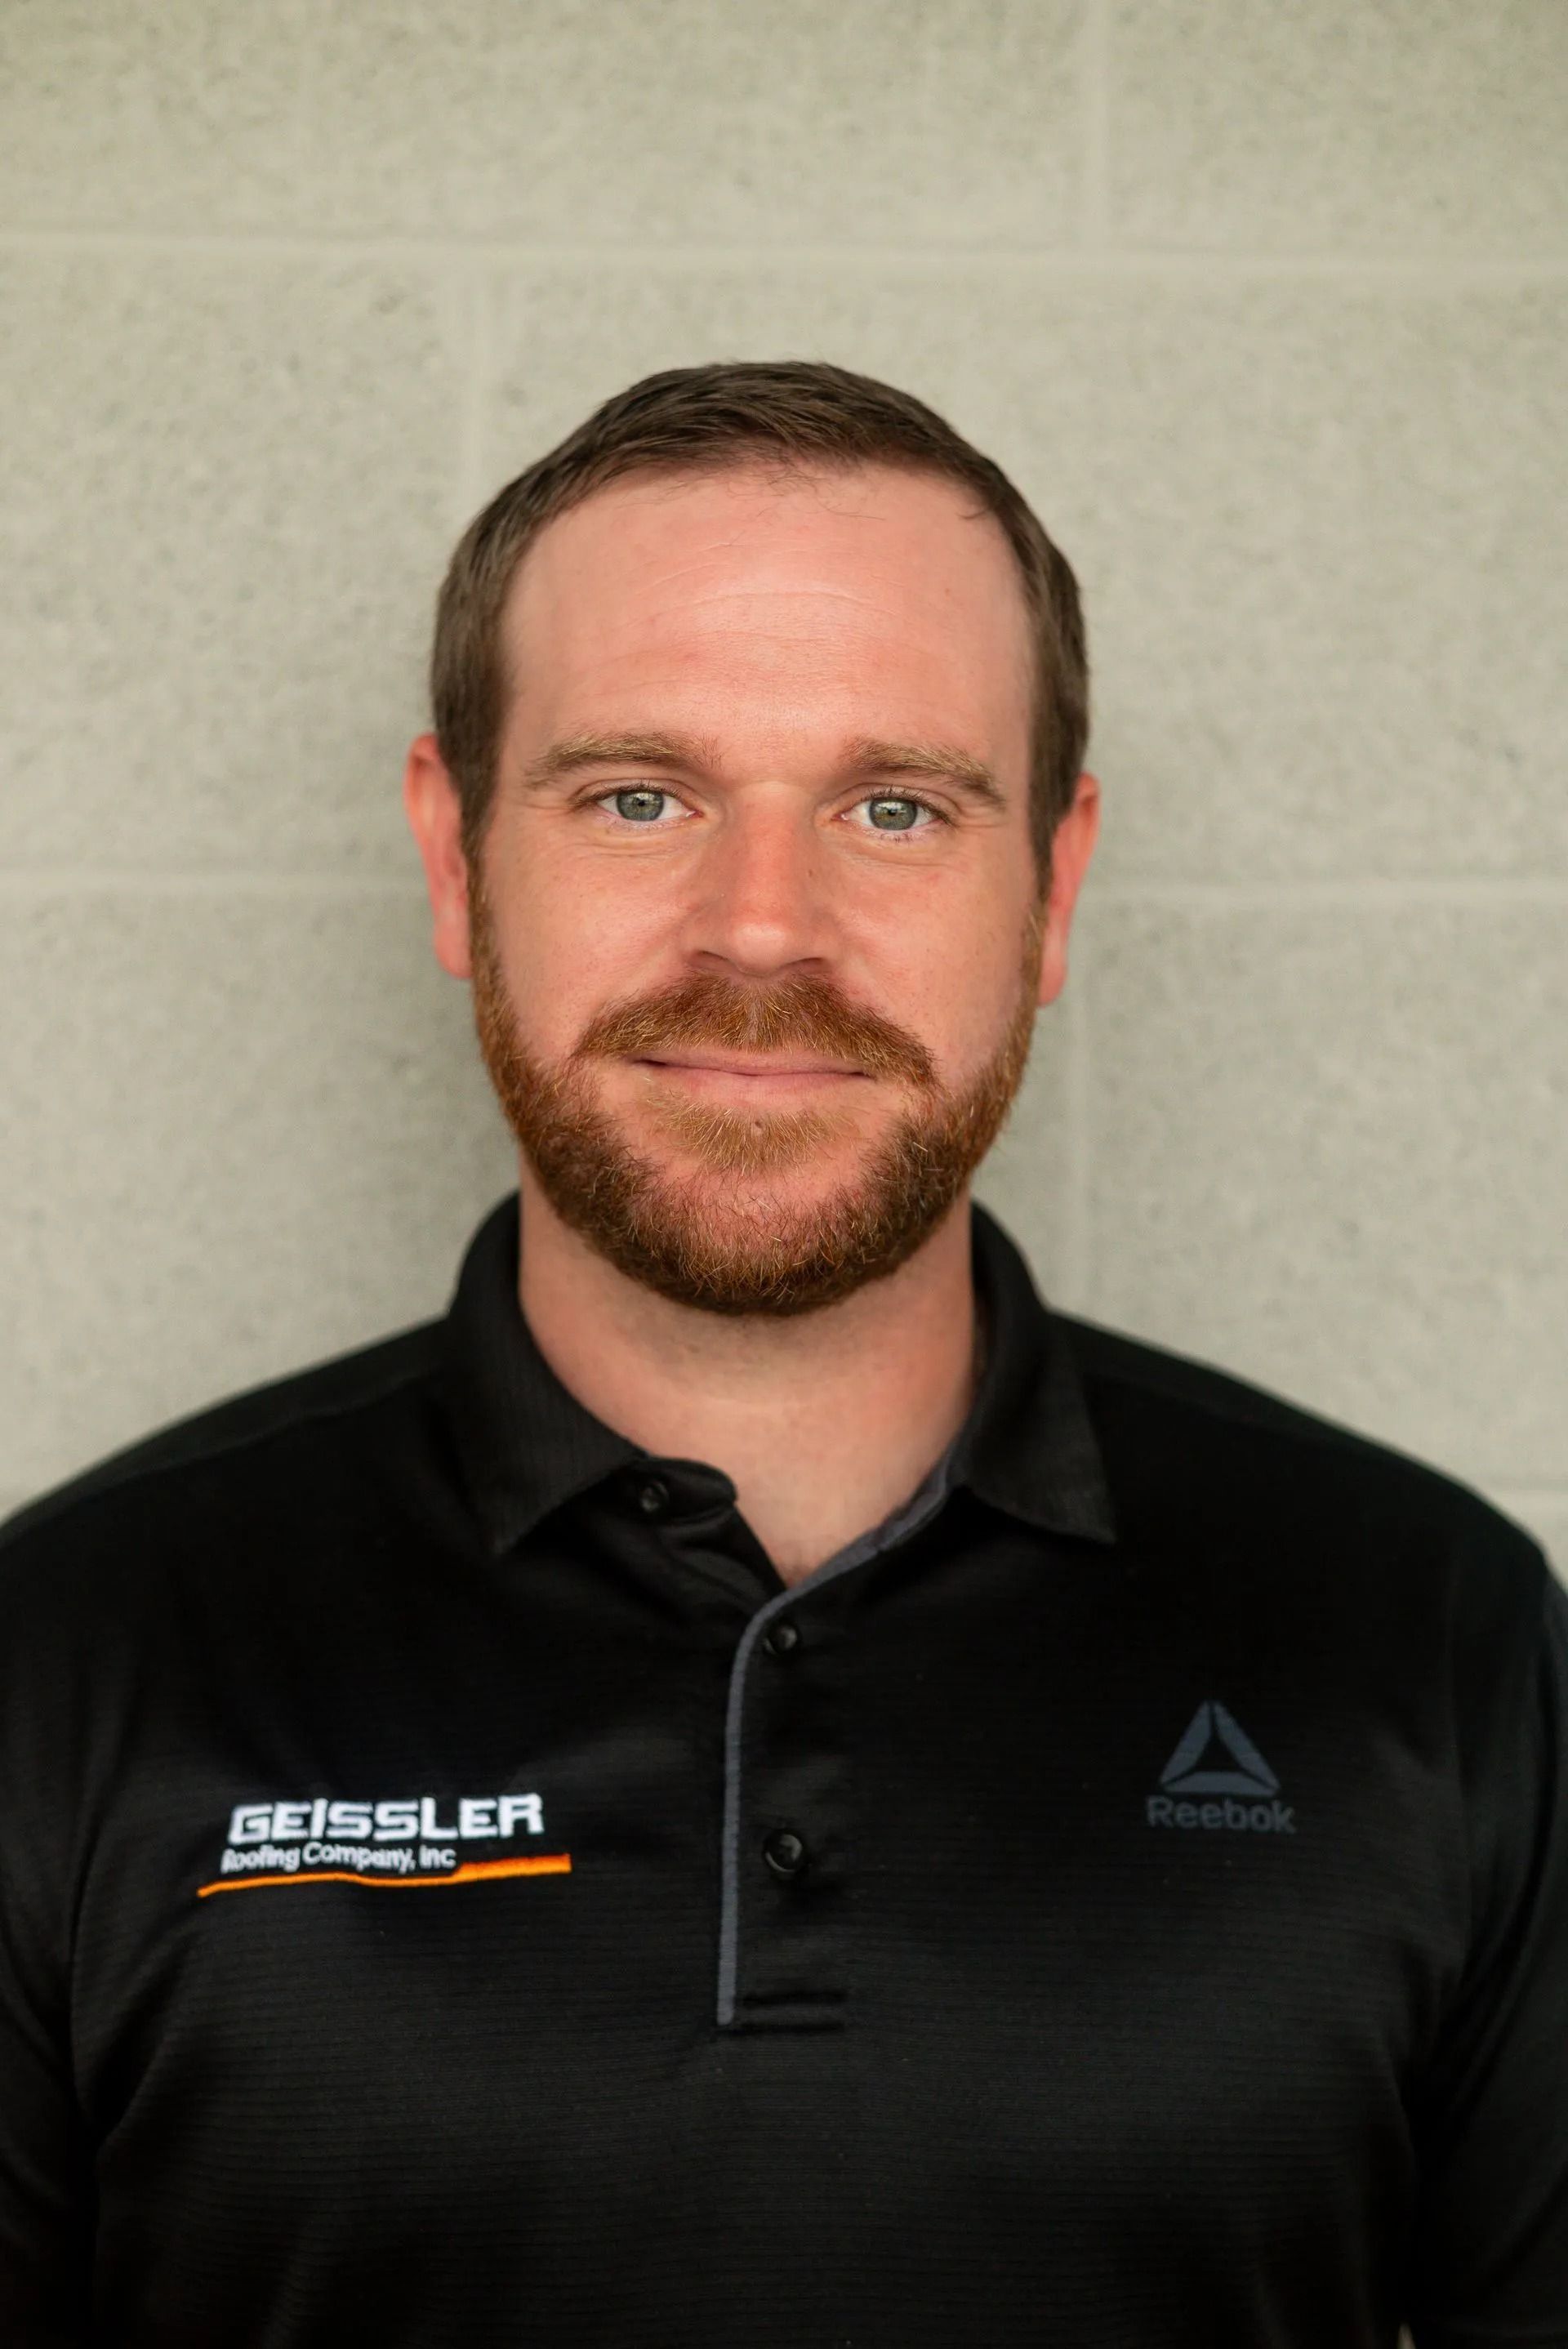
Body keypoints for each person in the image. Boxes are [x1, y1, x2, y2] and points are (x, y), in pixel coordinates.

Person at [1, 360, 1562, 2348]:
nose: (763, 931)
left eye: (894, 806)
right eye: (638, 795)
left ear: (1054, 887)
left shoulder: (1431, 1639)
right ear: (455, 857)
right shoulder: (73, 1648)